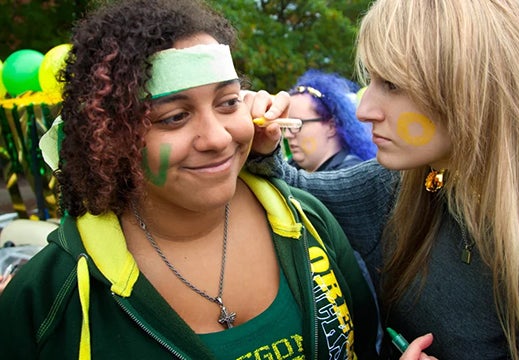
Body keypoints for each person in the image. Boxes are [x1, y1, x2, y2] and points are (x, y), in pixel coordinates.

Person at [0, 0, 380, 358]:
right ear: (112, 138)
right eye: (174, 117)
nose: (217, 138)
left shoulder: (305, 220)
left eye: (228, 102)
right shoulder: (50, 295)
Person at [247, 0, 519, 359]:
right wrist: (257, 140)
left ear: (474, 88)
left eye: (393, 84)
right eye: (372, 80)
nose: (364, 110)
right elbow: (290, 189)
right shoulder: (398, 188)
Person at [285, 69, 376, 172]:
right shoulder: (291, 168)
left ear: (331, 127)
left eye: (296, 124)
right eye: (286, 126)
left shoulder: (351, 175)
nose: (287, 134)